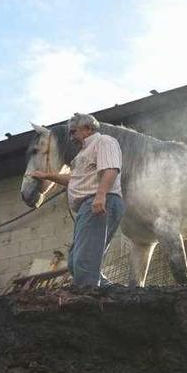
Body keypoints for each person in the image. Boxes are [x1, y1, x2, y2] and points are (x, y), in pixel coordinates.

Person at [28, 113, 125, 287]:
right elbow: (75, 179)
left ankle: (91, 299)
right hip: (87, 208)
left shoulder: (104, 141)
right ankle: (109, 291)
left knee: (84, 262)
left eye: (73, 132)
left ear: (88, 129)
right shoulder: (83, 152)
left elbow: (111, 169)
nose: (70, 137)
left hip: (98, 202)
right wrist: (47, 175)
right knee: (75, 262)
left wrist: (100, 195)